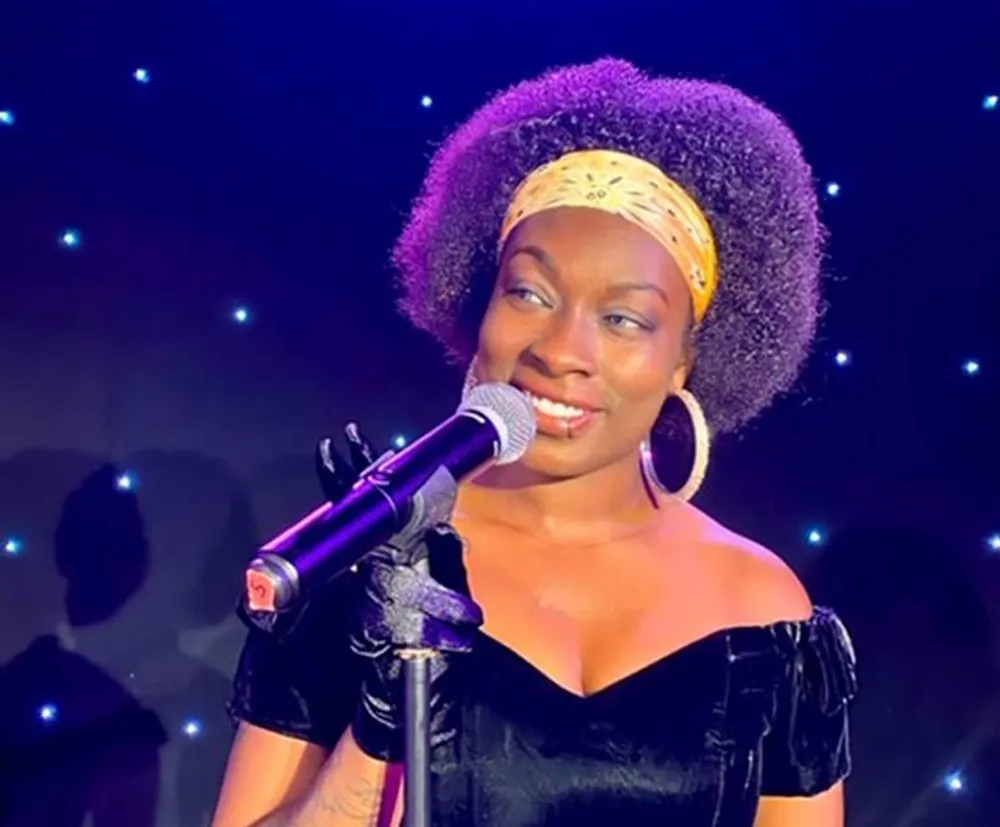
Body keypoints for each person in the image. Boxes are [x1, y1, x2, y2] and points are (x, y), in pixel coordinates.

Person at [211, 57, 858, 827]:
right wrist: (377, 730)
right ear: (477, 304)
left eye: (624, 318)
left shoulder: (760, 609)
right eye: (529, 292)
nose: (561, 349)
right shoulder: (370, 566)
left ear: (684, 357)